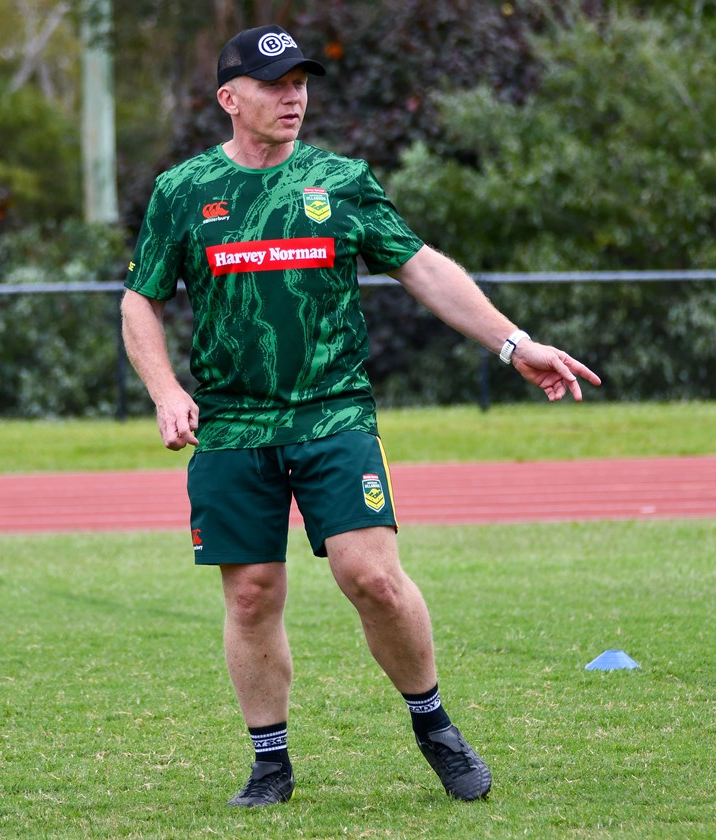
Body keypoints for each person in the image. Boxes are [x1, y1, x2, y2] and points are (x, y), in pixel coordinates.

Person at [121, 24, 601, 808]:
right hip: (234, 425)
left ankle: (434, 724)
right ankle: (270, 763)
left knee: (371, 576)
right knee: (250, 594)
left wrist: (515, 344)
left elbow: (421, 266)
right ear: (229, 98)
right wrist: (167, 391)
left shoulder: (340, 180)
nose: (294, 95)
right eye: (275, 84)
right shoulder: (184, 190)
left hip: (332, 412)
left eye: (301, 82)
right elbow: (140, 298)